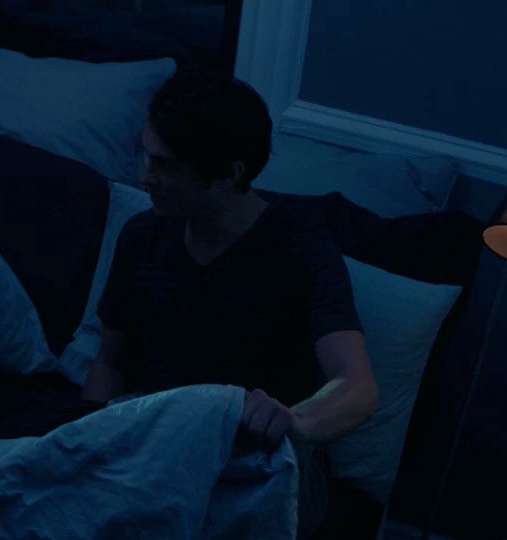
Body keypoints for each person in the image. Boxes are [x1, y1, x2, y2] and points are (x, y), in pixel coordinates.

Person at [81, 70, 379, 537]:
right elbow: (110, 361)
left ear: (229, 173)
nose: (145, 178)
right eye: (146, 157)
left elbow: (357, 385)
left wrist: (296, 421)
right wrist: (84, 440)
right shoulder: (142, 236)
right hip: (158, 442)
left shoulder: (302, 251)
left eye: (165, 166)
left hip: (257, 460)